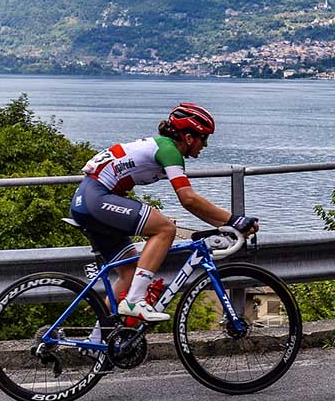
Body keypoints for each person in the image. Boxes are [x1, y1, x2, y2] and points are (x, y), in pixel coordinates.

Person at [69, 102, 258, 322]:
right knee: (165, 229)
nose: (205, 145)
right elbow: (188, 199)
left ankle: (99, 338)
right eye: (204, 138)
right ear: (189, 138)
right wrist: (234, 220)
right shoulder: (169, 151)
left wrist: (226, 223)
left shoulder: (162, 147)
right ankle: (134, 301)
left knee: (129, 273)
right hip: (95, 199)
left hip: (89, 201)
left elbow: (191, 203)